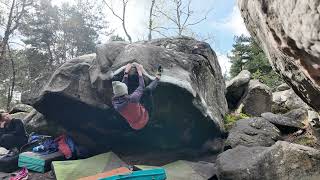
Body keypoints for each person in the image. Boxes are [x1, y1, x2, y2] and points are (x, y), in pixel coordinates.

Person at [112, 63, 161, 130]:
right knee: (147, 90)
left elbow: (122, 88)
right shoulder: (133, 99)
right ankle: (158, 78)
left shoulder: (115, 103)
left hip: (134, 125)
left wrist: (126, 73)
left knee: (135, 102)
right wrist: (139, 72)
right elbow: (141, 86)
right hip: (145, 117)